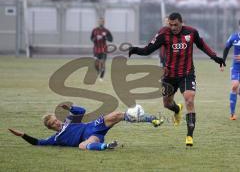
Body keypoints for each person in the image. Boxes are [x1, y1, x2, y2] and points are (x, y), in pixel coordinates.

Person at [129, 12, 225, 146]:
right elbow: (148, 49)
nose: (173, 27)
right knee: (167, 104)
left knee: (189, 99)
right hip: (169, 75)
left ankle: (189, 136)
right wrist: (135, 50)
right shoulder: (164, 33)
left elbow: (202, 46)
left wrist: (216, 58)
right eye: (170, 24)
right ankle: (176, 110)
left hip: (187, 73)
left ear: (181, 22)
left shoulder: (191, 33)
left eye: (175, 25)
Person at [9, 103, 162, 151]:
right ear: (50, 128)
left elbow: (81, 111)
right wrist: (23, 135)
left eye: (55, 120)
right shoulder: (56, 138)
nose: (55, 123)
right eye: (52, 124)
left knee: (116, 115)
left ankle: (151, 119)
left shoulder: (69, 120)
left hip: (92, 126)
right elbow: (38, 142)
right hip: (90, 137)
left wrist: (70, 107)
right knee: (83, 146)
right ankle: (106, 146)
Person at [222, 20, 240, 120]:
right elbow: (226, 48)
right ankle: (232, 114)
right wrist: (223, 62)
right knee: (234, 86)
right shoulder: (234, 37)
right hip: (236, 67)